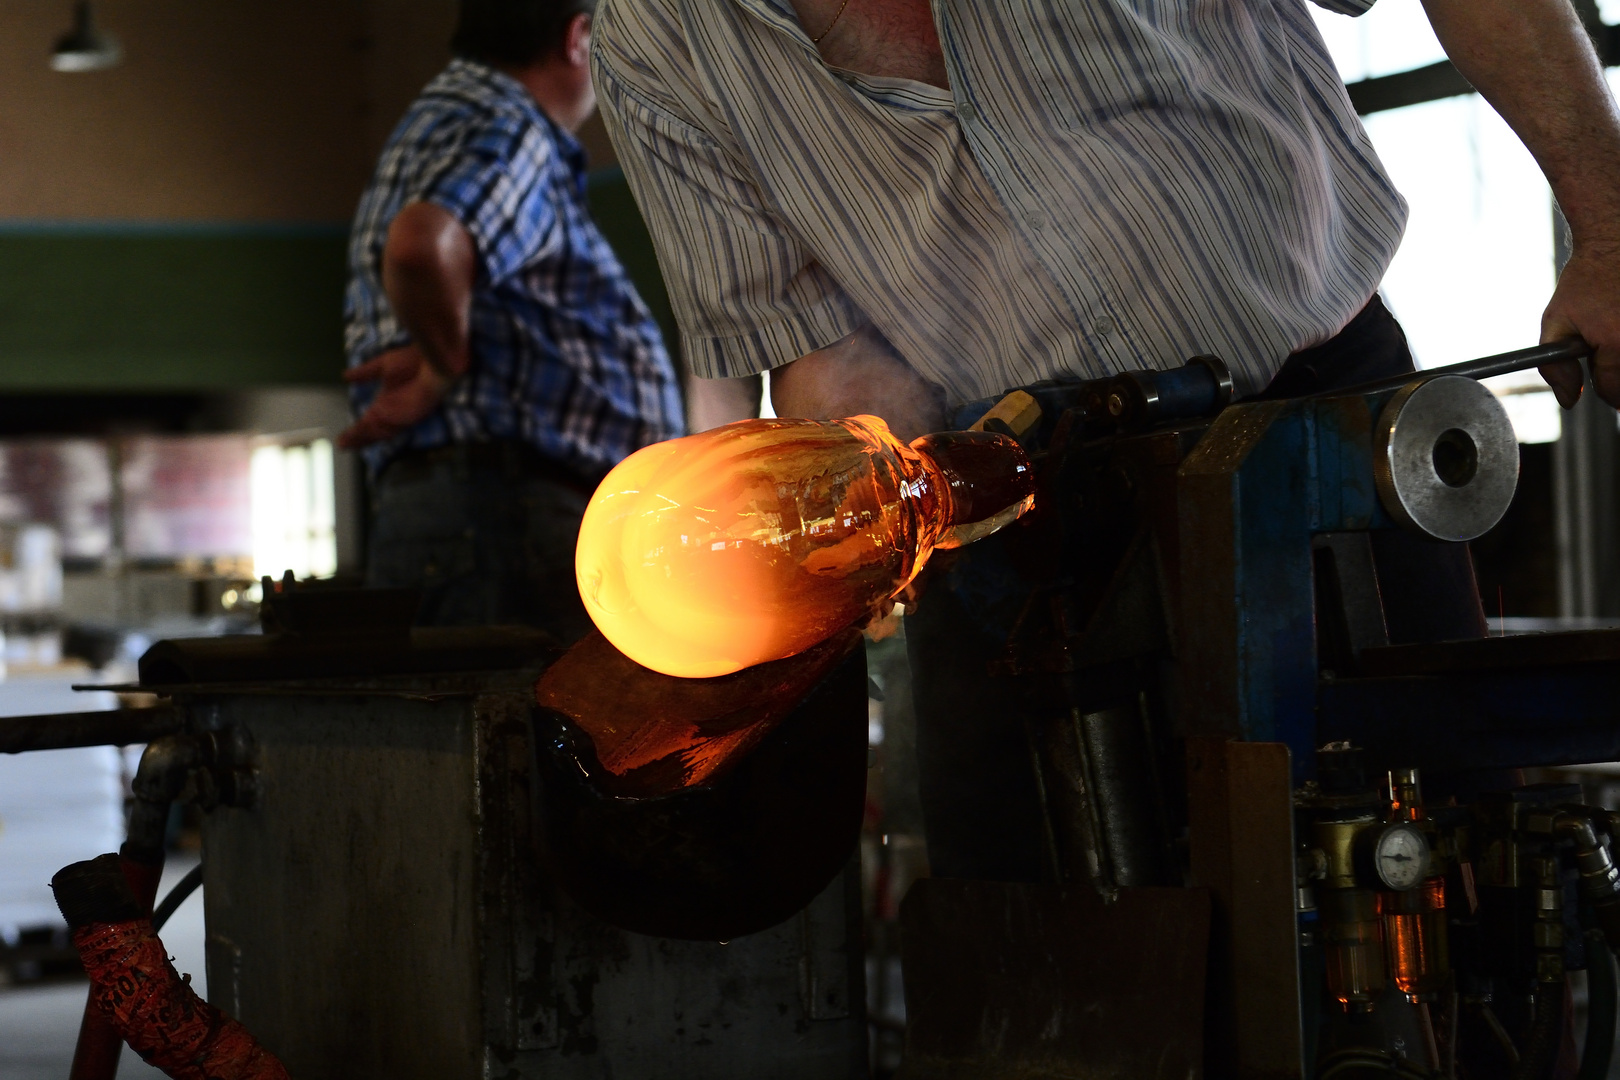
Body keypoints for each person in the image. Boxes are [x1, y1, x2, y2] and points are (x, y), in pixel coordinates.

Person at [590, 0, 1620, 877]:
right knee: (1048, 972)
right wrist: (866, 520)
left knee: (1446, 879)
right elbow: (836, 360)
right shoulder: (657, 33)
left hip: (1322, 432)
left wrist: (1609, 230)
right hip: (1010, 516)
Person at [341, 0, 684, 643]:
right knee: (527, 738)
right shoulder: (511, 123)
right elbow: (422, 245)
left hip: (473, 510)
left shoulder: (448, 116)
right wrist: (444, 368)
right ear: (579, 38)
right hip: (506, 516)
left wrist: (438, 349)